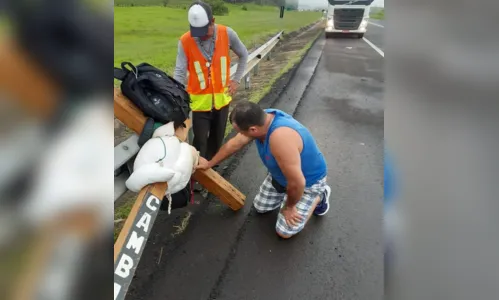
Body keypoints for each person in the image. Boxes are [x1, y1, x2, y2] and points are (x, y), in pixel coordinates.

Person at [196, 101, 332, 239]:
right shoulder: (262, 117)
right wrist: (210, 163)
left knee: (284, 232)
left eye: (241, 132)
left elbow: (298, 183)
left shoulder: (280, 138)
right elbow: (234, 145)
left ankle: (320, 195)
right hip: (280, 176)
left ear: (253, 130)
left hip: (307, 183)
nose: (240, 135)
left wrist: (290, 207)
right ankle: (288, 195)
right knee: (260, 207)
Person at [174, 1, 249, 191]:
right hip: (199, 103)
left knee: (217, 137)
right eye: (196, 31)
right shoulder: (185, 40)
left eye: (204, 30)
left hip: (222, 100)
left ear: (213, 21)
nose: (200, 36)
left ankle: (212, 169)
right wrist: (176, 94)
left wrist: (236, 80)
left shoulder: (227, 33)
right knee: (200, 139)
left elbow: (244, 54)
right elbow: (180, 72)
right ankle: (198, 176)